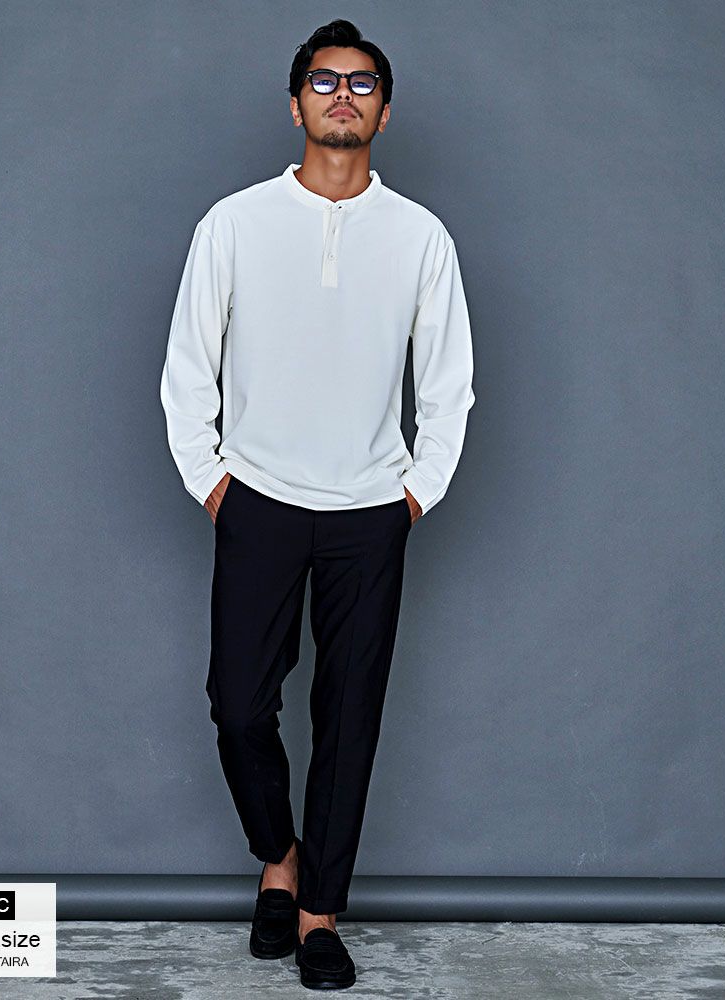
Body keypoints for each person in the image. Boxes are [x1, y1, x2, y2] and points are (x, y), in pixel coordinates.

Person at [160, 18, 475, 991]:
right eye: (326, 81)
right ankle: (279, 855)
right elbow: (188, 367)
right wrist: (212, 481)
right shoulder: (234, 224)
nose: (344, 95)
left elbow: (449, 383)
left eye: (362, 83)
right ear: (295, 103)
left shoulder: (419, 236)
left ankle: (317, 913)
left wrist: (414, 493)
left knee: (350, 715)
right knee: (239, 705)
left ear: (384, 110)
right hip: (256, 495)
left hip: (371, 508)